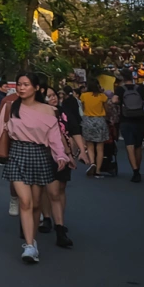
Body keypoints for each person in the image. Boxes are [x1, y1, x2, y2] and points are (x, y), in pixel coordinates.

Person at [0, 73, 72, 263]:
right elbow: (0, 130)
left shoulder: (49, 111)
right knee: (25, 201)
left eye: (26, 84)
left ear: (36, 88)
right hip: (17, 153)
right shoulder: (10, 107)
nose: (21, 88)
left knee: (36, 203)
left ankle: (33, 241)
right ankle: (29, 245)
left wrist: (61, 155)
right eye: (19, 84)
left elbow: (55, 137)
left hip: (40, 154)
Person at [42, 85, 85, 248]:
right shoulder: (41, 113)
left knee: (60, 188)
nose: (52, 98)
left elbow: (74, 130)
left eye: (54, 95)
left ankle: (59, 221)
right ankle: (48, 218)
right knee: (50, 190)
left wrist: (82, 151)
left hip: (65, 155)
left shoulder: (64, 112)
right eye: (48, 96)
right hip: (47, 154)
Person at [119, 73, 144, 183]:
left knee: (129, 146)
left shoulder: (120, 89)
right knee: (138, 146)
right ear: (132, 77)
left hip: (126, 120)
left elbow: (115, 100)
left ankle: (135, 171)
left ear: (123, 78)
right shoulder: (140, 89)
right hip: (140, 120)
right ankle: (138, 168)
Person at [79, 81, 109, 178]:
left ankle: (92, 163)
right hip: (100, 121)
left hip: (88, 121)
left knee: (90, 145)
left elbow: (83, 108)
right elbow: (107, 109)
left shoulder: (84, 96)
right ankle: (98, 171)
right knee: (100, 148)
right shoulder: (102, 96)